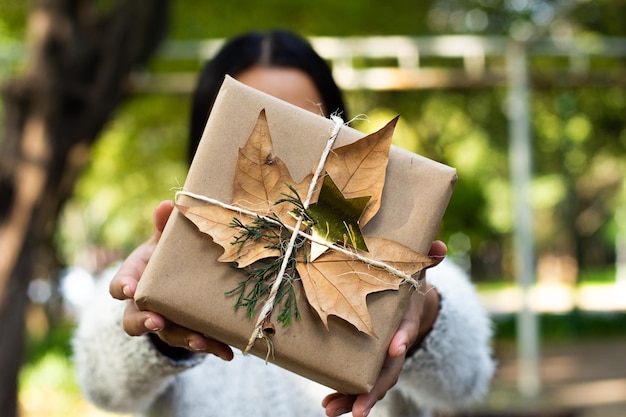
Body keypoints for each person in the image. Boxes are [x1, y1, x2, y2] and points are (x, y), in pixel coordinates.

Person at [73, 30, 495, 417]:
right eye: (252, 121)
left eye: (301, 126)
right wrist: (154, 325)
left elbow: (468, 381)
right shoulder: (156, 264)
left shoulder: (401, 268)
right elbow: (102, 386)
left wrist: (424, 320)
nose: (276, 149)